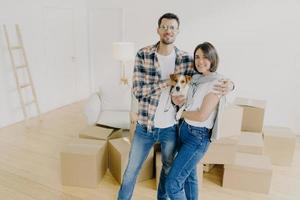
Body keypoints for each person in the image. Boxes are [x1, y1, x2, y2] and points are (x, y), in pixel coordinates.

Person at [118, 13, 232, 200]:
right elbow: (138, 91)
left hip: (171, 127)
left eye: (172, 27)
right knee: (131, 171)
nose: (168, 30)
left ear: (177, 31)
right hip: (145, 126)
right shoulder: (143, 54)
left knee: (168, 169)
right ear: (158, 30)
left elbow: (209, 75)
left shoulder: (187, 59)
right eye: (164, 27)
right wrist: (167, 82)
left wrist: (230, 84)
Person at [165, 42, 225, 200]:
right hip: (185, 131)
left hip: (197, 138)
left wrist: (181, 113)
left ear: (213, 59)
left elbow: (201, 115)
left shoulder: (217, 83)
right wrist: (180, 104)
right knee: (189, 178)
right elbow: (191, 103)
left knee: (172, 183)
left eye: (205, 57)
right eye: (197, 57)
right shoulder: (196, 79)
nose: (200, 61)